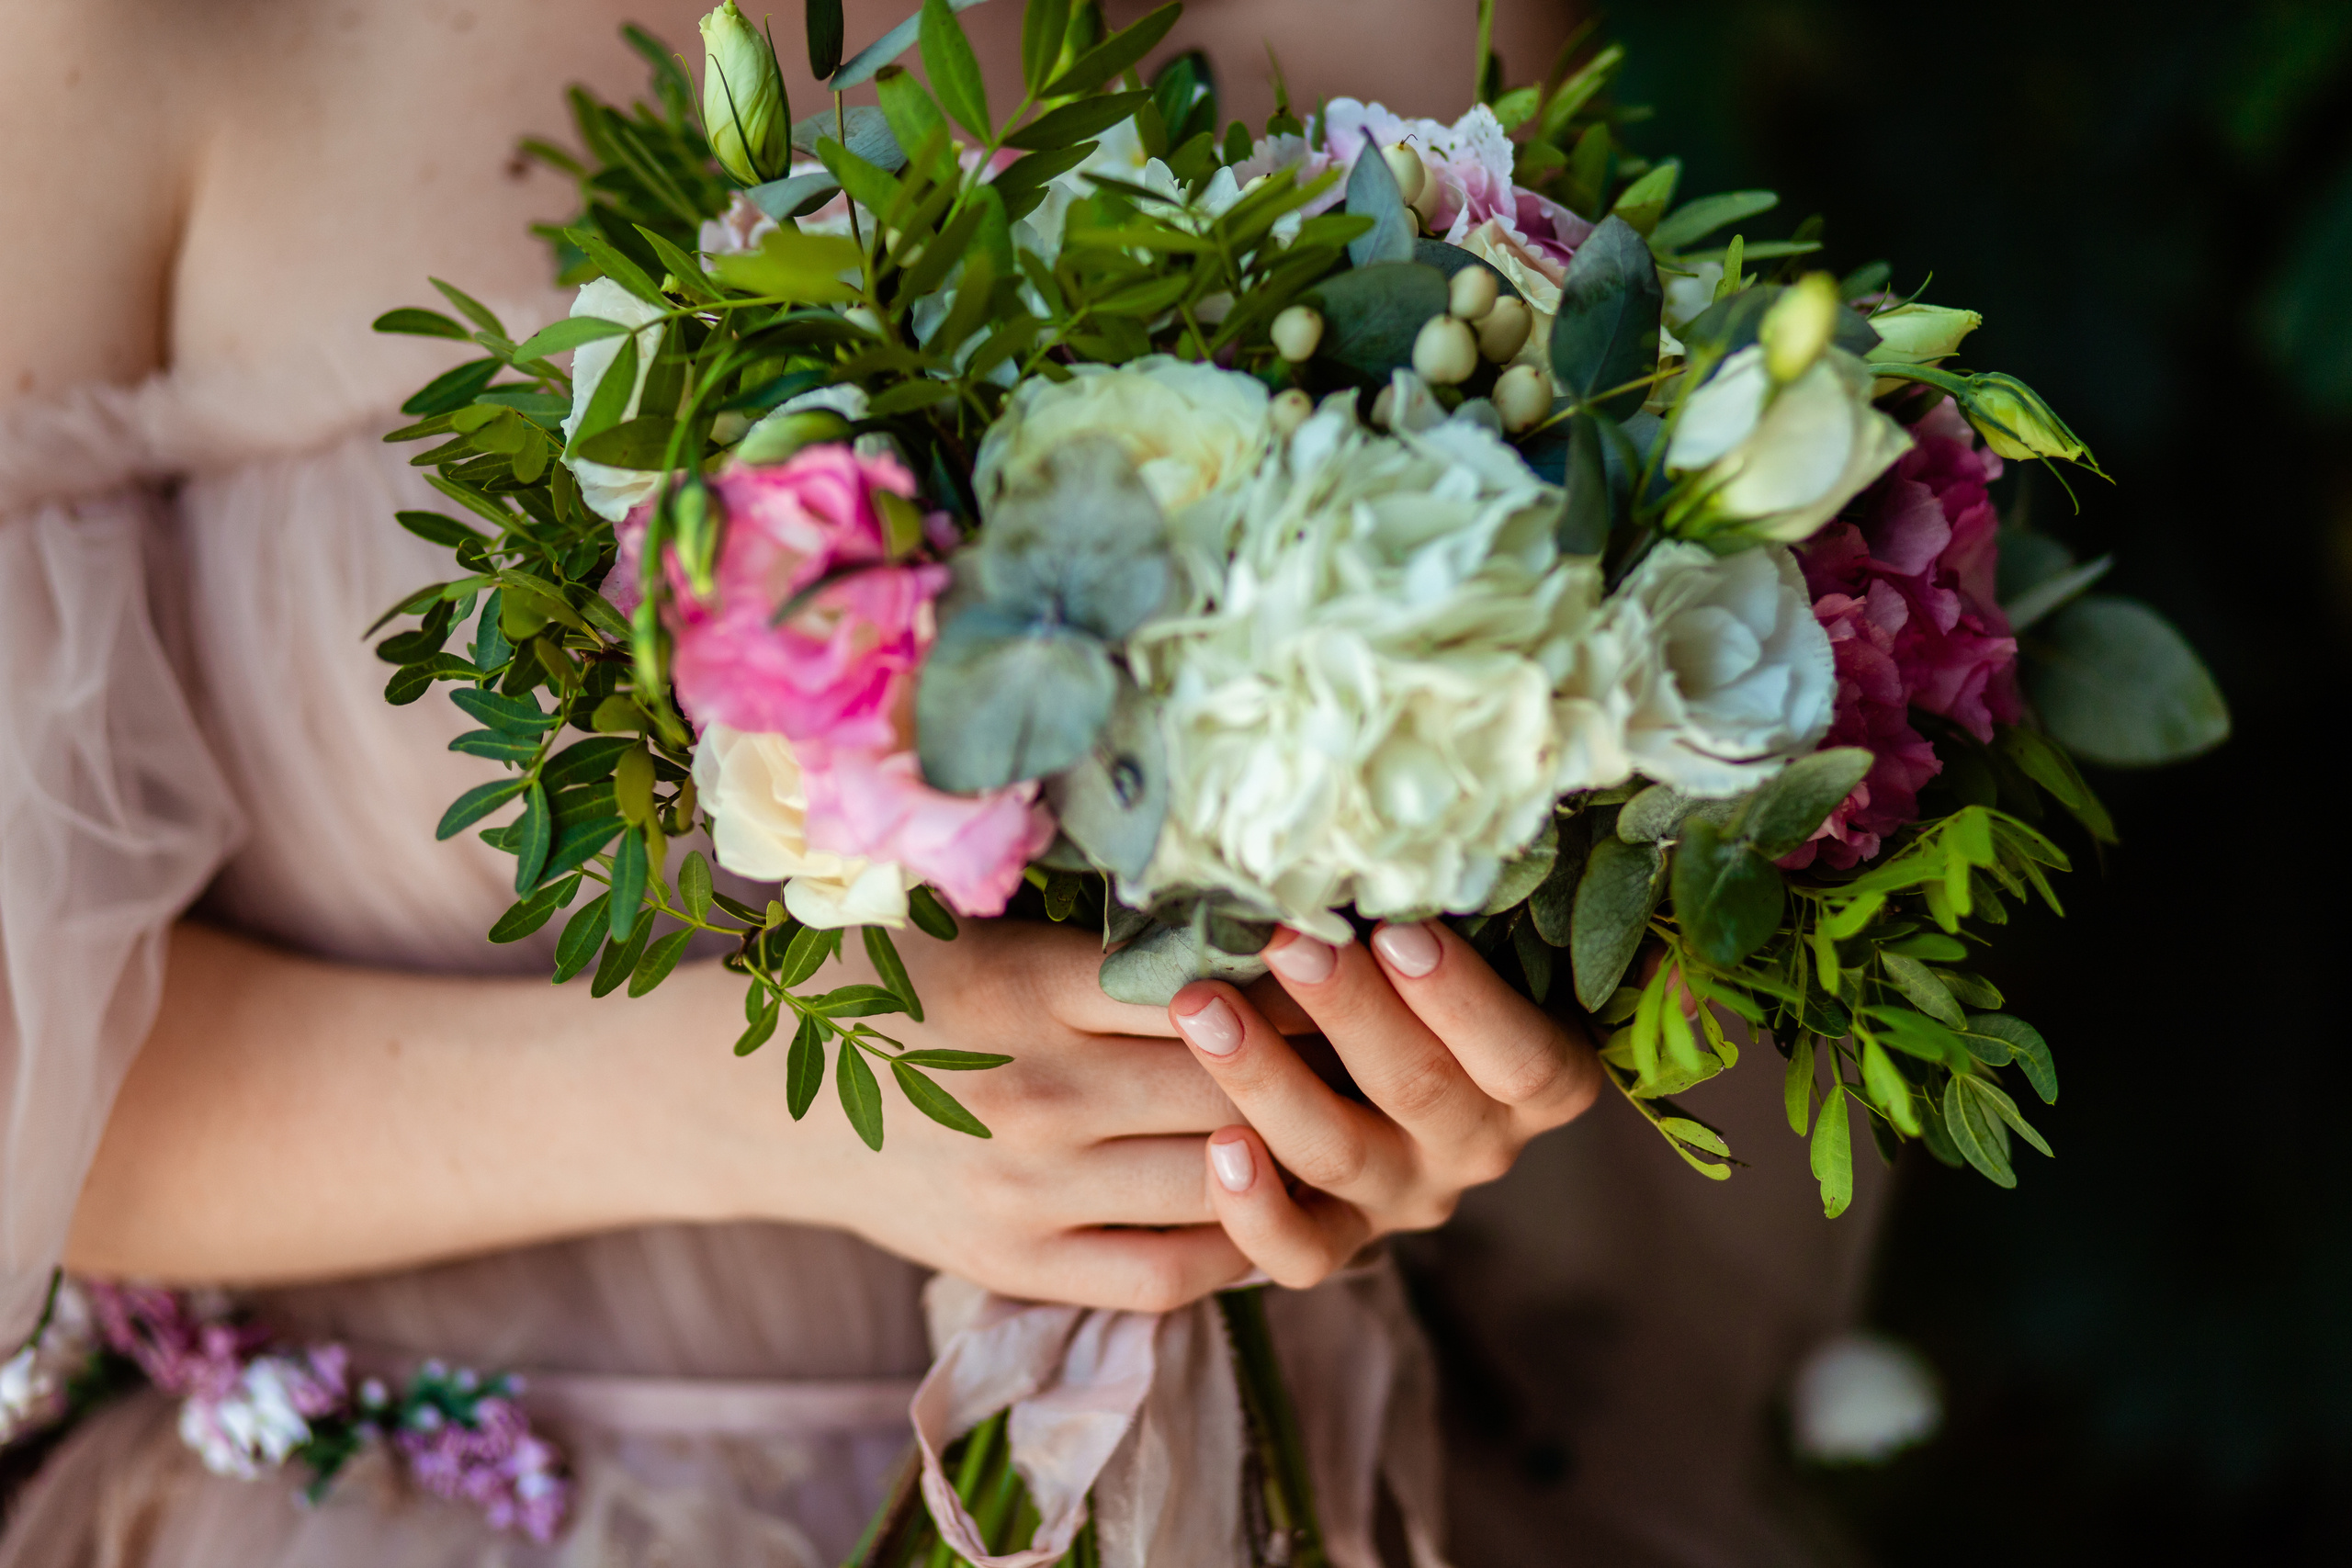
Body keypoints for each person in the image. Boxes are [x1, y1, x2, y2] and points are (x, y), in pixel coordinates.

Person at [0, 3, 1884, 1563]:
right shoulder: (114, 47)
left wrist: (1372, 1102)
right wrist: (761, 1101)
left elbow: (1526, 813)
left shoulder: (1377, 25)